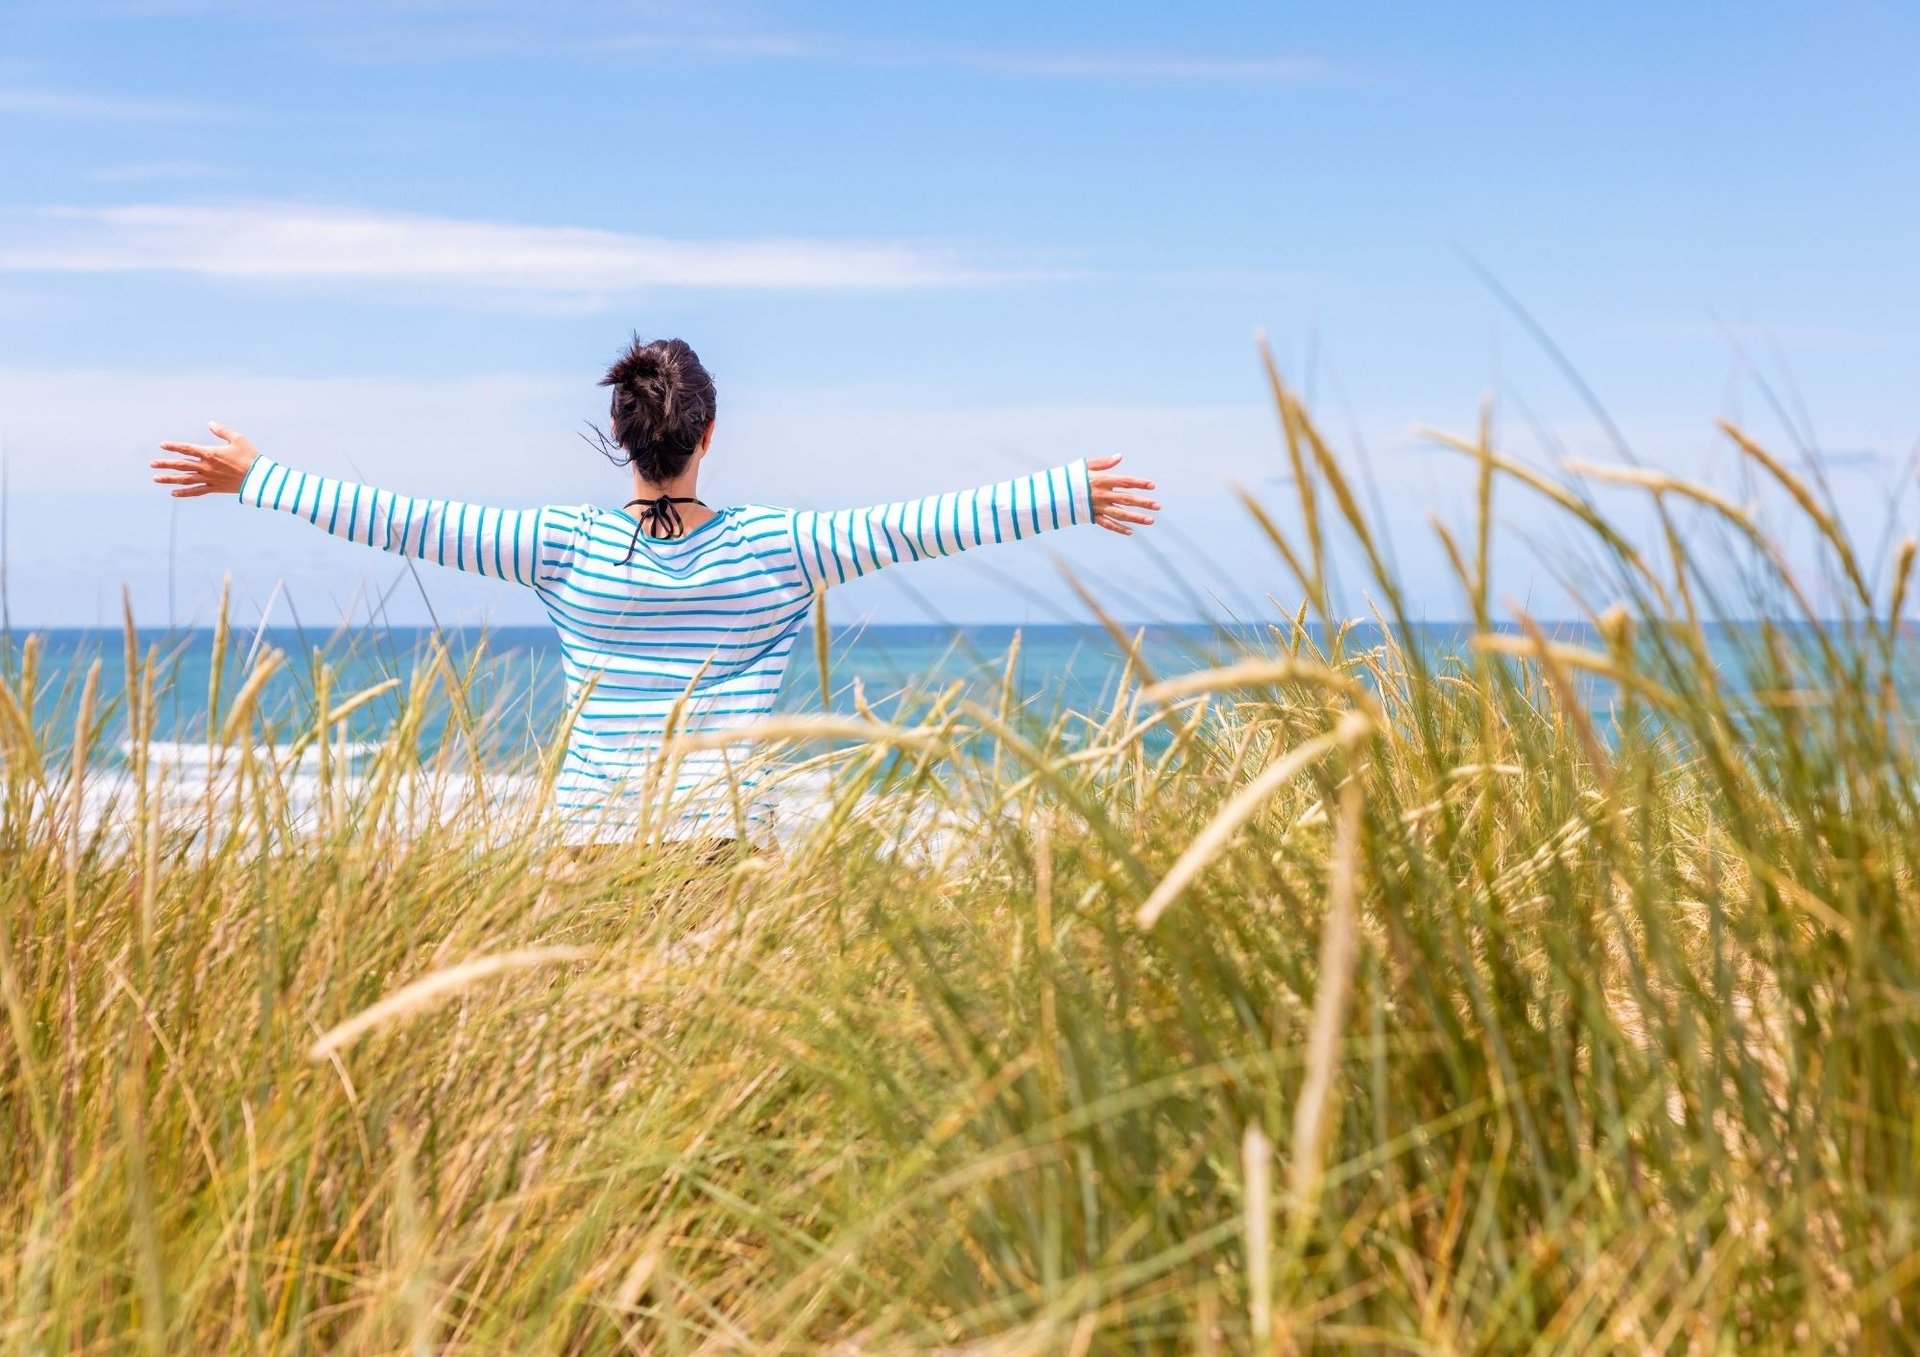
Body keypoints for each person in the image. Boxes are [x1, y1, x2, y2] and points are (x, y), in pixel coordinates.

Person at [152, 337, 1159, 845]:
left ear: (625, 437)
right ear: (708, 436)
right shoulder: (782, 549)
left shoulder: (558, 546)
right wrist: (1067, 492)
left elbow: (404, 519)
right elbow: (919, 525)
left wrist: (261, 477)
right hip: (722, 845)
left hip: (587, 845)